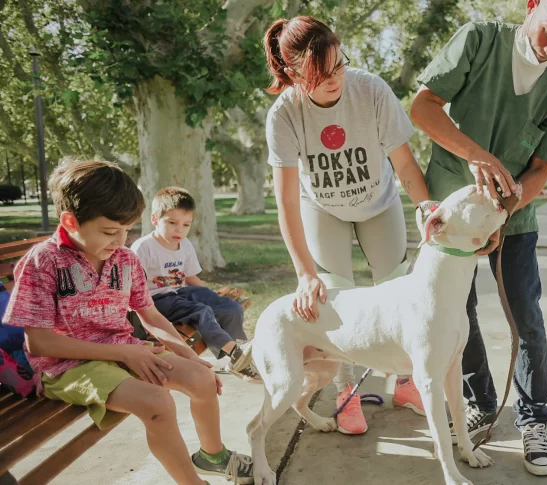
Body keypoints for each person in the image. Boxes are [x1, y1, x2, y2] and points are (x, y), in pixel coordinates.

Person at [411, 0, 547, 476]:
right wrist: (474, 154)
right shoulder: (478, 41)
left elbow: (540, 170)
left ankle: (533, 419)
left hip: (512, 218)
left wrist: (502, 213)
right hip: (451, 214)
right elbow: (422, 108)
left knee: (526, 318)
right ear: (533, 5)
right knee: (457, 313)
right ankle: (480, 402)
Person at [3, 158, 254, 484]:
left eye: (127, 230)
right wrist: (124, 354)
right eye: (110, 231)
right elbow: (40, 342)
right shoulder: (42, 262)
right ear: (70, 221)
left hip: (126, 348)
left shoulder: (124, 259)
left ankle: (213, 456)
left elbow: (151, 316)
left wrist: (190, 358)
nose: (120, 241)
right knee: (156, 403)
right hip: (68, 365)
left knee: (203, 381)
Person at [263, 16, 431, 435]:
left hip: (379, 204)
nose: (334, 78)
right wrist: (304, 274)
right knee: (334, 304)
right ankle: (345, 392)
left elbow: (406, 165)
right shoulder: (283, 115)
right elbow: (285, 200)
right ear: (292, 72)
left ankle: (408, 383)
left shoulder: (371, 90)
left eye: (338, 65)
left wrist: (429, 211)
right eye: (321, 73)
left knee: (399, 292)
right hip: (324, 210)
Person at [131, 186, 259, 381]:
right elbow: (133, 288)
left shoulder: (186, 245)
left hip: (180, 292)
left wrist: (214, 299)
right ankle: (236, 353)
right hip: (155, 299)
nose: (179, 229)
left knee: (230, 307)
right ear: (155, 220)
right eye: (172, 222)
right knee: (202, 312)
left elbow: (190, 278)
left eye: (186, 225)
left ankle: (240, 354)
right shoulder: (144, 247)